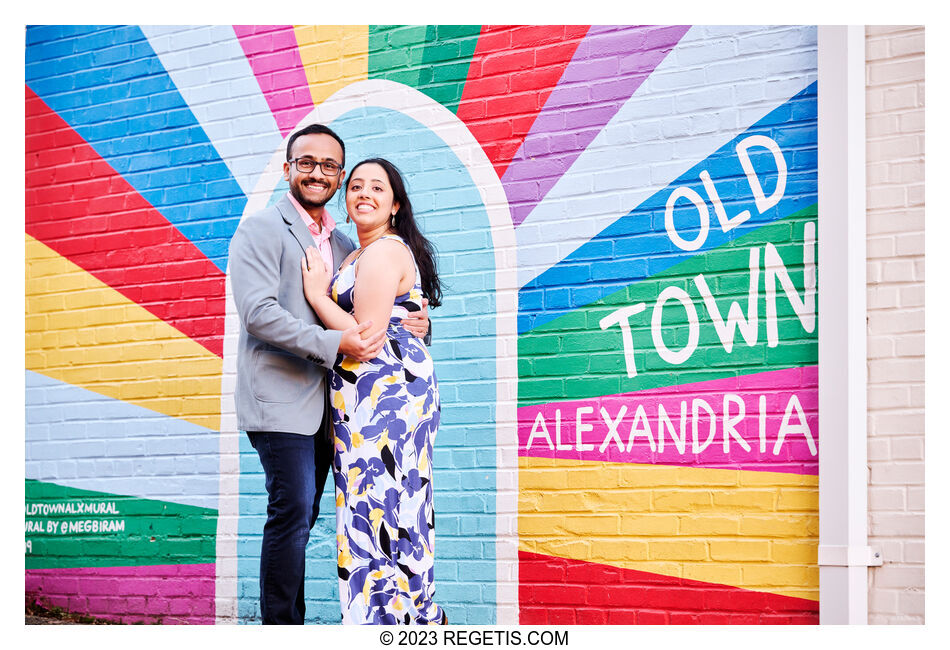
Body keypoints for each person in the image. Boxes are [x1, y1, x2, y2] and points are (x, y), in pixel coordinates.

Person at [229, 125, 430, 625]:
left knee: (324, 518)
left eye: (329, 166)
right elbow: (258, 313)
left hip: (344, 405)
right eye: (306, 162)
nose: (318, 173)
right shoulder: (261, 229)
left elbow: (375, 309)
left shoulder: (346, 243)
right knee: (293, 512)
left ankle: (403, 619)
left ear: (338, 177)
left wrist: (417, 322)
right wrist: (337, 341)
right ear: (288, 169)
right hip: (282, 398)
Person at [300, 158, 445, 625]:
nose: (364, 193)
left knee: (382, 509)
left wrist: (319, 297)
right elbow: (401, 318)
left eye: (377, 188)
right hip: (370, 399)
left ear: (395, 204)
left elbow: (364, 339)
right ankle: (410, 622)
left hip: (385, 400)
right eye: (356, 186)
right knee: (388, 506)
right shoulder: (359, 254)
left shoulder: (382, 251)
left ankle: (394, 624)